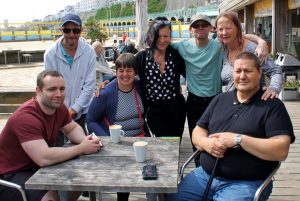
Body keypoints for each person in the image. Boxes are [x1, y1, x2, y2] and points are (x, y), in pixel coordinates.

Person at [167, 52, 295, 201]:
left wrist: (238, 139)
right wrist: (206, 143)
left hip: (245, 183)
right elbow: (198, 130)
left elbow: (281, 150)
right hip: (204, 176)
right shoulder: (220, 99)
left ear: (259, 72)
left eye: (248, 71)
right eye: (238, 71)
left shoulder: (272, 105)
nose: (242, 76)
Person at [172, 13, 269, 166]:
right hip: (193, 100)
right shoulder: (182, 46)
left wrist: (261, 41)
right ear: (190, 29)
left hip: (216, 99)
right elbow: (161, 43)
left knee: (218, 138)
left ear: (211, 28)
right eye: (196, 25)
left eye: (204, 25)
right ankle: (200, 170)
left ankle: (217, 170)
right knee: (196, 140)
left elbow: (239, 36)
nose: (200, 28)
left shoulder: (219, 44)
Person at [0, 70, 102, 201]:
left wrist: (86, 141)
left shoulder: (59, 108)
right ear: (38, 91)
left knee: (82, 179)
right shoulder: (25, 117)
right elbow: (44, 157)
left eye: (62, 89)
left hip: (39, 167)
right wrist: (82, 148)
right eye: (52, 89)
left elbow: (72, 128)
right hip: (11, 174)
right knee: (50, 198)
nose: (59, 94)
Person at [87, 53, 146, 201]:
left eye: (129, 70)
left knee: (151, 176)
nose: (125, 75)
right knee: (123, 182)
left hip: (141, 140)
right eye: (121, 70)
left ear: (135, 72)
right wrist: (107, 138)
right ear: (116, 71)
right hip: (118, 145)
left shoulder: (140, 86)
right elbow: (91, 120)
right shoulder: (105, 93)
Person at [135, 16, 186, 138]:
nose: (162, 40)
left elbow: (190, 73)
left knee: (175, 145)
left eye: (166, 36)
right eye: (158, 36)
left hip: (176, 109)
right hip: (154, 110)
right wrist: (106, 83)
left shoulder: (175, 56)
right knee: (164, 143)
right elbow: (126, 72)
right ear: (151, 36)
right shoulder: (142, 57)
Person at [44, 13, 96, 132]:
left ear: (81, 30)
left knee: (82, 146)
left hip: (83, 112)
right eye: (67, 30)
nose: (71, 34)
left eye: (76, 30)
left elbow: (89, 85)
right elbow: (50, 86)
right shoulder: (50, 54)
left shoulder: (89, 52)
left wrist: (74, 109)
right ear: (61, 30)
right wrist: (63, 112)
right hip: (57, 112)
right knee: (58, 147)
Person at [216, 11, 282, 100]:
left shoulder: (252, 49)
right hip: (233, 104)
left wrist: (274, 88)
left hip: (255, 105)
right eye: (220, 29)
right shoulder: (224, 49)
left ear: (237, 28)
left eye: (228, 28)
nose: (224, 33)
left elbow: (275, 71)